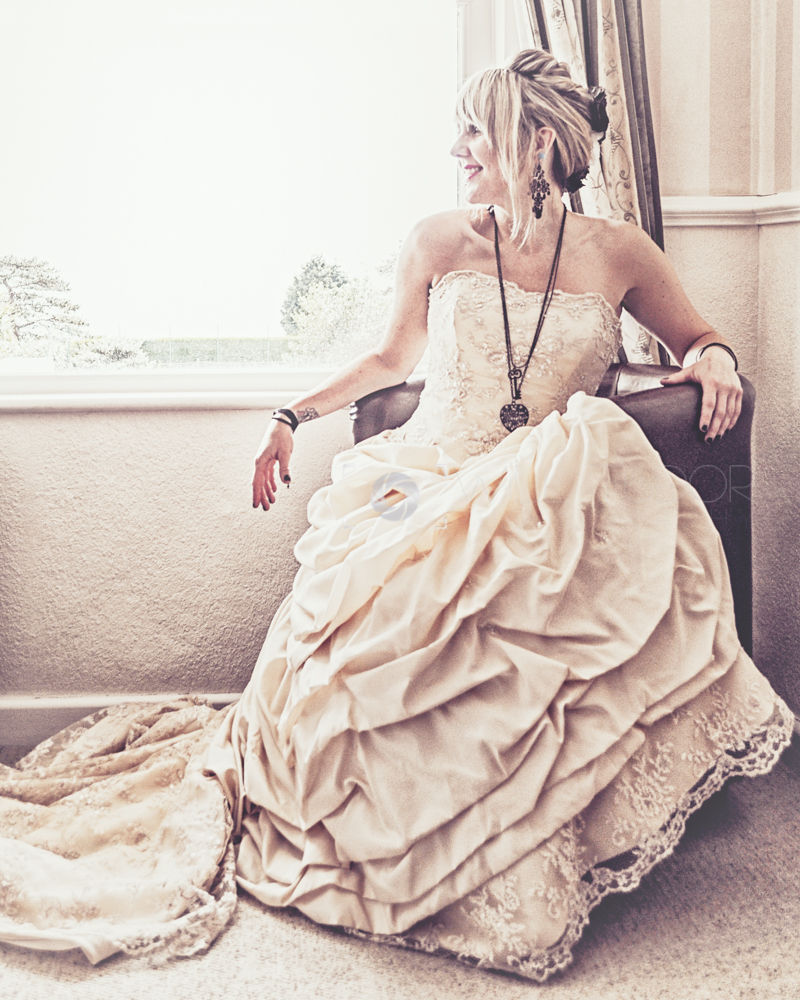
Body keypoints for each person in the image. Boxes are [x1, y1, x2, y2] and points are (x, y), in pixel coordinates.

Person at [0, 49, 792, 982]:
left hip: (551, 487)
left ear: (534, 140)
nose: (457, 148)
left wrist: (717, 360)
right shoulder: (438, 240)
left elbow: (697, 333)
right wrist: (291, 415)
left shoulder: (619, 251)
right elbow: (389, 362)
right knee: (372, 624)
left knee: (593, 490)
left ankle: (536, 817)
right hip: (436, 470)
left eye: (473, 130)